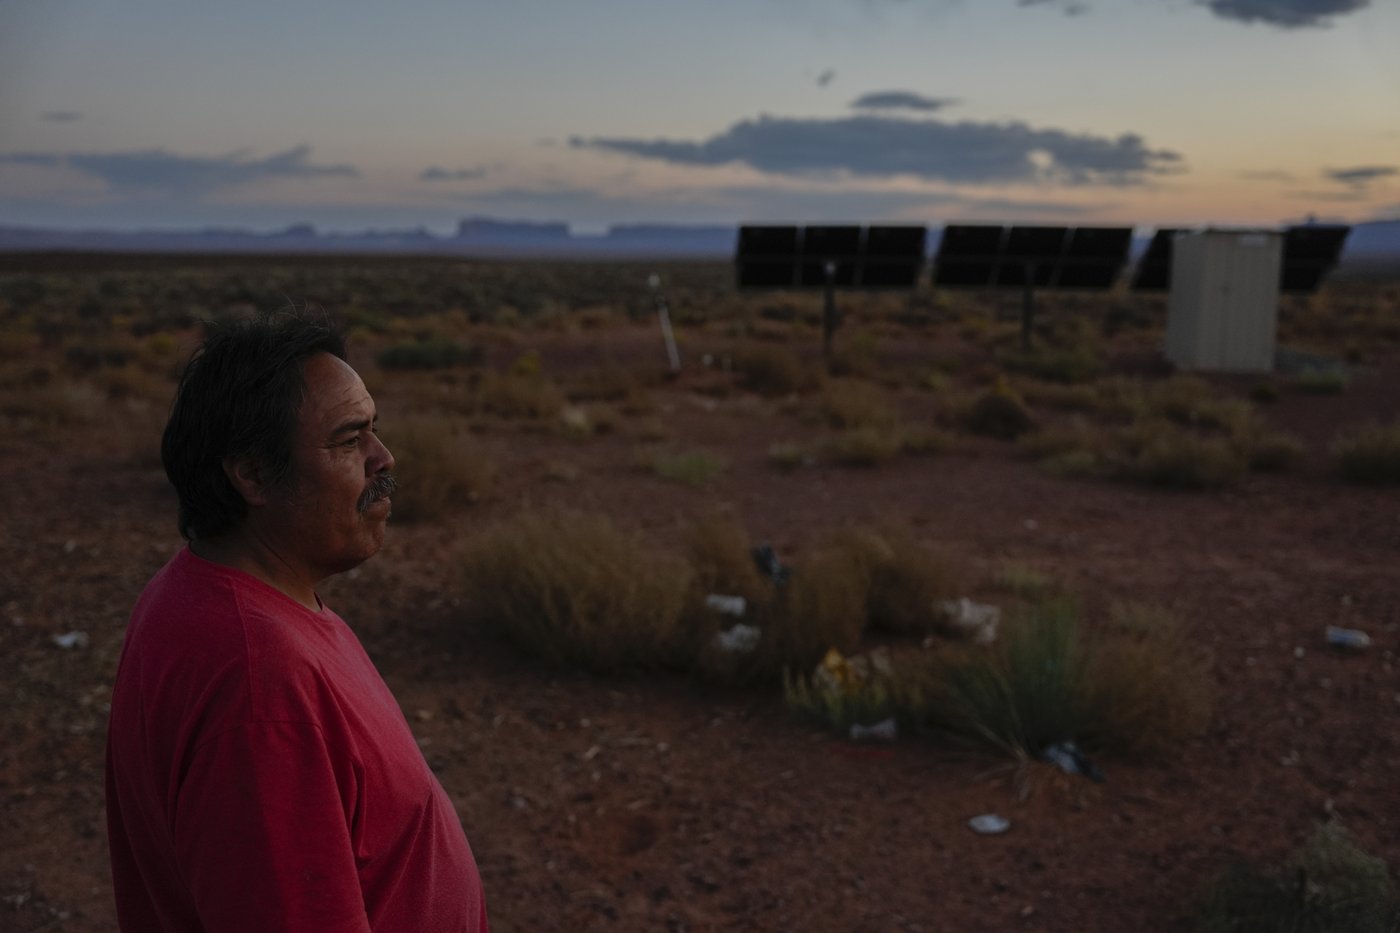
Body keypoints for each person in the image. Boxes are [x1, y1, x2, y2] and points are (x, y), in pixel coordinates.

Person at [105, 311, 488, 932]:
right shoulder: (260, 686)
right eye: (349, 440)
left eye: (375, 431)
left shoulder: (215, 595)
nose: (383, 458)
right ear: (252, 474)